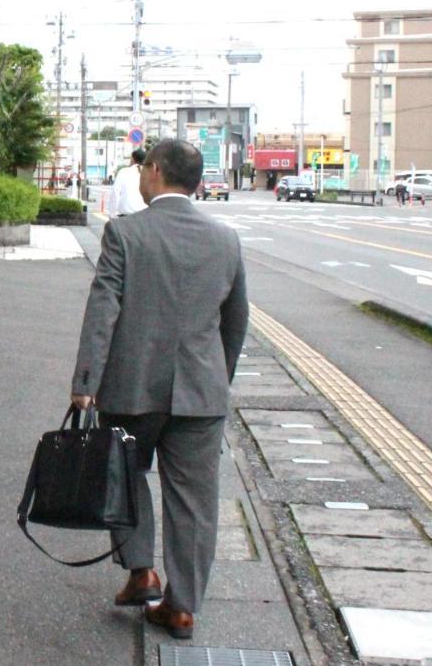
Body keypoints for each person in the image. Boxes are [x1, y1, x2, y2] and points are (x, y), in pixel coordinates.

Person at [70, 138, 248, 639]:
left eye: (144, 170)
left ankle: (141, 572)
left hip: (131, 388)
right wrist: (216, 379)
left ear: (153, 171)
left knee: (125, 479)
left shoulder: (126, 234)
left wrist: (86, 382)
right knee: (194, 501)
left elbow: (103, 309)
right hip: (202, 394)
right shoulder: (225, 240)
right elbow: (236, 324)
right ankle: (182, 606)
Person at [108, 148, 147, 216]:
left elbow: (115, 193)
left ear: (133, 159)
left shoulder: (124, 172)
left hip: (126, 217)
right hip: (144, 216)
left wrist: (112, 214)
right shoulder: (149, 173)